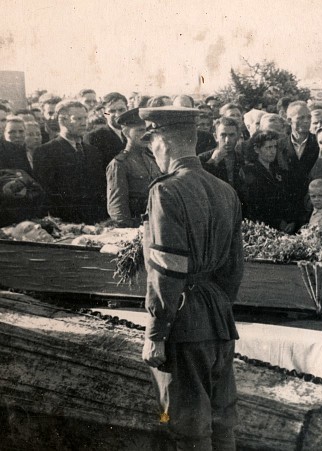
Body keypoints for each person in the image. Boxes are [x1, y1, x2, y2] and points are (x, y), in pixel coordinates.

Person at [139, 106, 243, 451]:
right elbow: (234, 267)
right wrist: (218, 308)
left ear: (163, 144)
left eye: (152, 144)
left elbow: (167, 268)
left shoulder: (166, 191)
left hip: (183, 323)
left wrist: (156, 332)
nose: (153, 154)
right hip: (218, 318)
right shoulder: (225, 190)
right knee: (221, 421)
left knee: (188, 426)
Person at [31, 100, 107, 223]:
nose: (84, 123)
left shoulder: (93, 151)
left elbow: (100, 187)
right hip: (66, 222)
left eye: (85, 118)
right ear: (62, 120)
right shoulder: (46, 152)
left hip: (96, 221)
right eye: (77, 119)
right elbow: (47, 194)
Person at [106, 108, 162, 227]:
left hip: (156, 225)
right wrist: (130, 231)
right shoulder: (119, 164)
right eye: (140, 130)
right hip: (136, 229)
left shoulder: (152, 159)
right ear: (126, 133)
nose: (145, 135)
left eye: (147, 130)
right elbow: (117, 209)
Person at [239, 130, 294, 232]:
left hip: (284, 226)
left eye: (274, 147)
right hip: (262, 227)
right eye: (268, 147)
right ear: (257, 149)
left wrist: (290, 221)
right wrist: (277, 222)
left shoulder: (278, 170)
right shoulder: (248, 171)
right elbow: (253, 204)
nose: (273, 151)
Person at [278, 101, 320, 226]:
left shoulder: (318, 142)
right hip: (287, 212)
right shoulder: (279, 145)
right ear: (289, 120)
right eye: (301, 118)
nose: (306, 121)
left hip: (313, 208)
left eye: (308, 117)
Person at [84, 92, 128, 171]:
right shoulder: (94, 137)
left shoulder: (133, 134)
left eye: (121, 110)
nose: (117, 114)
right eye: (112, 111)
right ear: (105, 113)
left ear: (127, 109)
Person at [199, 117, 244, 190]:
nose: (227, 140)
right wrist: (212, 161)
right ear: (216, 136)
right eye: (223, 135)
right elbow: (199, 181)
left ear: (238, 137)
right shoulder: (203, 158)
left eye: (231, 135)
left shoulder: (243, 159)